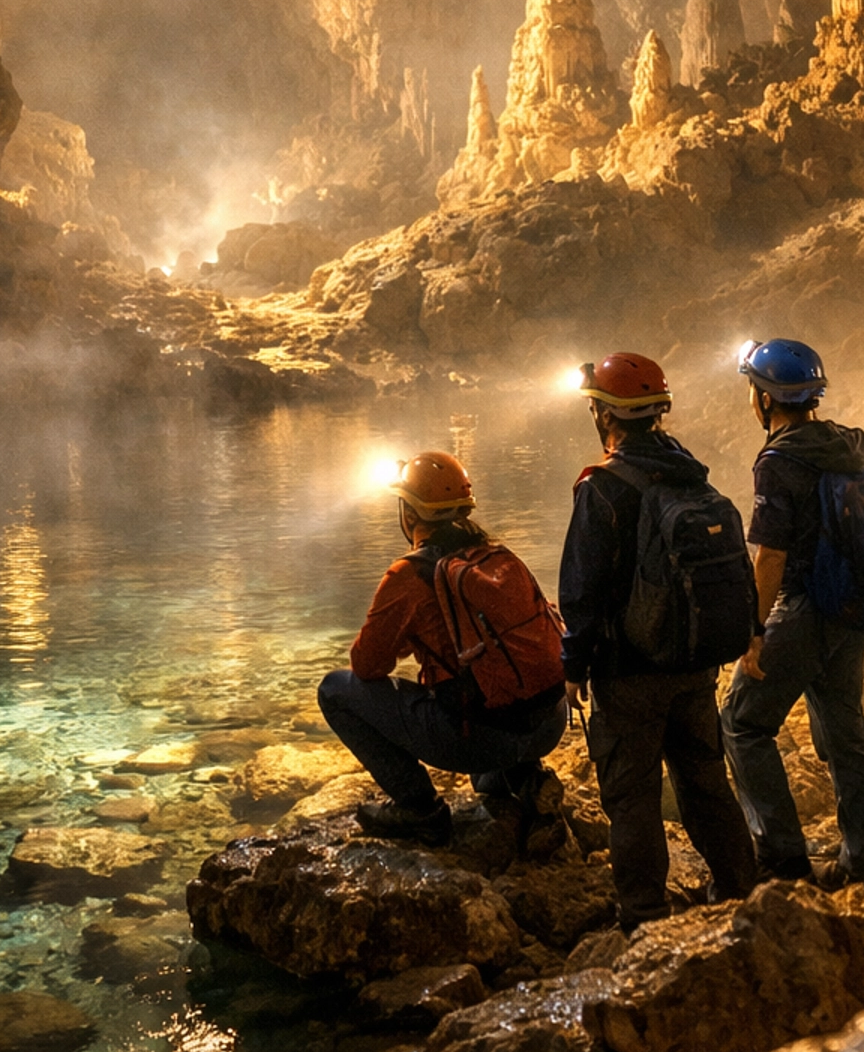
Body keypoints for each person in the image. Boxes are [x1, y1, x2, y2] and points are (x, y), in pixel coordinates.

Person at [559, 352, 757, 930]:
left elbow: (582, 590)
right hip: (694, 661)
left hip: (629, 672)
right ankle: (742, 895)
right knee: (706, 784)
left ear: (604, 415)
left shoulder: (602, 487)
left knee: (632, 797)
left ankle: (645, 917)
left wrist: (573, 666)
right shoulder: (688, 472)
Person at [318, 450, 568, 850]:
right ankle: (528, 780)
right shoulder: (496, 555)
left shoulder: (408, 575)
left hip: (482, 739)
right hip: (550, 723)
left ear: (410, 515)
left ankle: (421, 810)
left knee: (335, 690)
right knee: (484, 776)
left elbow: (367, 666)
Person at [722, 338, 864, 894]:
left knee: (742, 722)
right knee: (846, 734)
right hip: (850, 607)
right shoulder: (844, 444)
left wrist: (751, 631)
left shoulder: (779, 460)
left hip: (804, 608)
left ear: (766, 400)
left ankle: (783, 857)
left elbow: (770, 556)